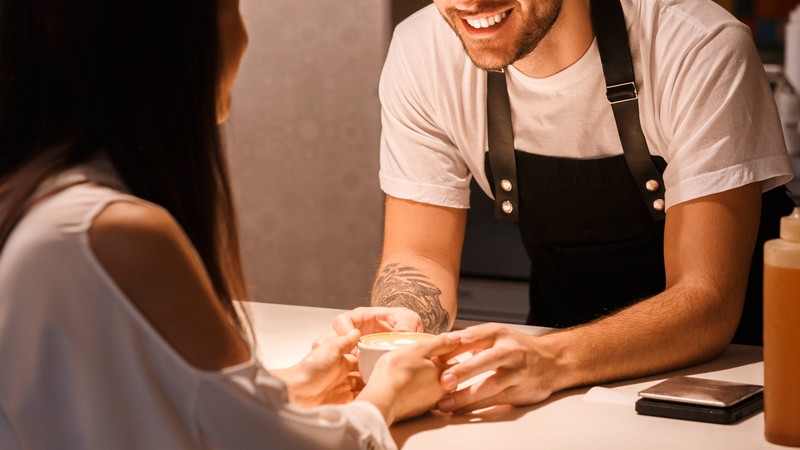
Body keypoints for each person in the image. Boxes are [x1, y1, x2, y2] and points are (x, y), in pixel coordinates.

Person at [0, 0, 460, 448]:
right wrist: (390, 394)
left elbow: (119, 409)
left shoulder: (41, 199)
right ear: (171, 38)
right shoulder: (119, 233)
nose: (245, 37)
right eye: (232, 8)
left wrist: (289, 385)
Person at [334, 0, 795, 415]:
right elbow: (420, 256)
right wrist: (405, 324)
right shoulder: (423, 51)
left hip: (735, 380)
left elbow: (706, 301)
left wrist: (551, 359)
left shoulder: (698, 45)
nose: (469, 3)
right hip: (556, 385)